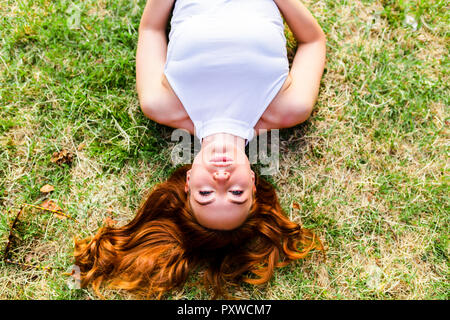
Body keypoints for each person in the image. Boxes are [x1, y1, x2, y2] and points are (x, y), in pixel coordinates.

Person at [74, 0, 326, 299]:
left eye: (206, 195)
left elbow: (152, 29)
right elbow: (313, 41)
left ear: (189, 181)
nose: (222, 178)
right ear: (254, 185)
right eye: (236, 194)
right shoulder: (289, 109)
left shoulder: (160, 104)